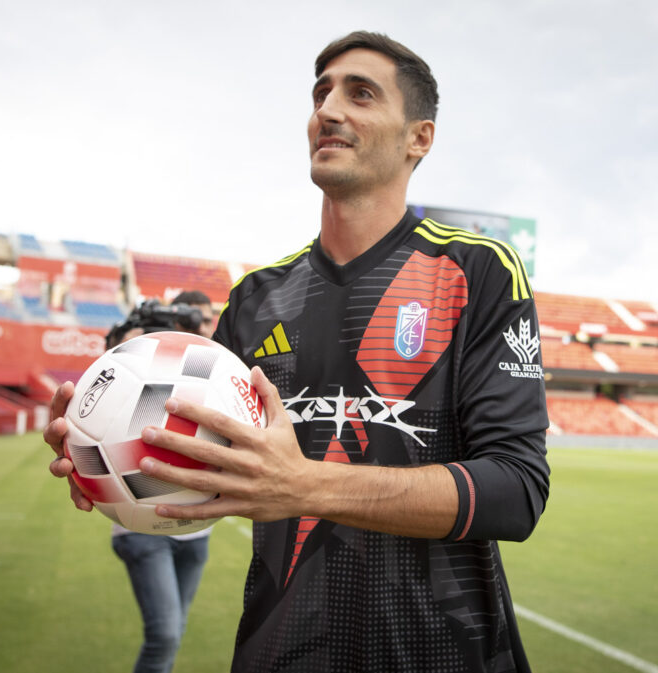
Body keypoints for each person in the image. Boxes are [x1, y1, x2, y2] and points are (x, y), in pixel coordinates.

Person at [47, 31, 549, 673]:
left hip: (445, 654)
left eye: (360, 93)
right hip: (279, 652)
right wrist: (102, 447)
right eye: (321, 94)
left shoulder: (476, 270)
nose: (328, 110)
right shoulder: (255, 299)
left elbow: (517, 491)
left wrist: (304, 484)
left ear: (418, 137)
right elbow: (195, 467)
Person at [105, 291, 217, 673]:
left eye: (205, 320)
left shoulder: (210, 366)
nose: (200, 328)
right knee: (165, 634)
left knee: (175, 629)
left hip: (196, 528)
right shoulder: (144, 357)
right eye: (194, 321)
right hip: (142, 525)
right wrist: (132, 341)